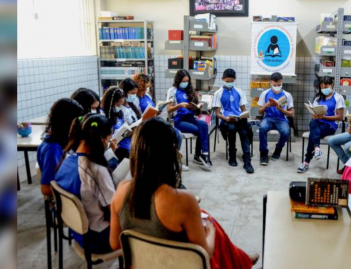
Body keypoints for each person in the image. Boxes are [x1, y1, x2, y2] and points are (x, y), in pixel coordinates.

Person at [108, 118, 258, 268]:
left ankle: (241, 257)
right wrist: (210, 232)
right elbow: (204, 254)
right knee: (211, 226)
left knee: (203, 214)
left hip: (141, 264)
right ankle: (240, 260)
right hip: (176, 264)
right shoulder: (182, 200)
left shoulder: (121, 189)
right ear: (170, 151)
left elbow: (115, 244)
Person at [54, 114, 118, 254]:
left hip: (77, 232)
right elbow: (113, 210)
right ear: (101, 139)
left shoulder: (66, 160)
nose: (108, 143)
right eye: (108, 140)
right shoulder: (95, 171)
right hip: (98, 238)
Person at [36, 98, 85, 197]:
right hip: (64, 201)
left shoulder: (59, 140)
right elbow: (45, 189)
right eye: (77, 121)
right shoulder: (52, 149)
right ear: (67, 123)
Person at [298, 76, 345, 173]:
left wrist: (324, 117)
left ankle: (306, 162)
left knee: (313, 134)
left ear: (331, 85)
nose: (324, 89)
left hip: (330, 125)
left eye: (326, 86)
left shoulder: (338, 98)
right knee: (313, 123)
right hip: (318, 122)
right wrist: (315, 115)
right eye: (322, 87)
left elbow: (340, 117)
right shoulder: (318, 98)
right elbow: (314, 114)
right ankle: (317, 149)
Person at [167, 69, 212, 167]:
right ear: (178, 80)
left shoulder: (189, 90)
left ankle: (204, 154)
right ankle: (198, 155)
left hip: (190, 118)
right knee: (198, 129)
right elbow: (169, 109)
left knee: (204, 125)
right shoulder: (172, 91)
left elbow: (193, 105)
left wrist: (197, 107)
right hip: (179, 120)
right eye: (183, 81)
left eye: (187, 81)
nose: (185, 83)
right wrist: (179, 106)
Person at [213, 69, 254, 173]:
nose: (229, 83)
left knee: (244, 132)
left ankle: (247, 160)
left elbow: (243, 109)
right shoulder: (218, 93)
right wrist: (226, 118)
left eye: (231, 81)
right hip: (227, 119)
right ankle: (232, 155)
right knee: (231, 128)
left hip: (238, 118)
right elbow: (217, 113)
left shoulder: (239, 92)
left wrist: (244, 115)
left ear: (234, 80)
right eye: (227, 81)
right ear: (223, 79)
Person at [132, 73, 185, 153]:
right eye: (146, 86)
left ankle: (174, 158)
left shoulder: (147, 96)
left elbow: (152, 108)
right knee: (167, 138)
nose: (148, 88)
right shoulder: (136, 99)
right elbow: (138, 116)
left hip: (154, 121)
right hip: (146, 125)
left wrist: (157, 110)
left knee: (178, 135)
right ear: (141, 86)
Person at [256, 72, 294, 165]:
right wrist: (266, 105)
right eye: (274, 85)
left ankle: (278, 149)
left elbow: (292, 114)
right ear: (270, 83)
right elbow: (259, 111)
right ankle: (264, 153)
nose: (277, 86)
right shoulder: (264, 94)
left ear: (282, 82)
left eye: (279, 85)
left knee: (285, 131)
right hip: (268, 118)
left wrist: (281, 110)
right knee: (262, 128)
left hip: (281, 119)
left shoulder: (287, 95)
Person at [101, 86, 131, 163]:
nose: (120, 107)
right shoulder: (103, 115)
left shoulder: (119, 113)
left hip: (126, 145)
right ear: (111, 102)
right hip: (116, 149)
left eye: (121, 104)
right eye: (118, 104)